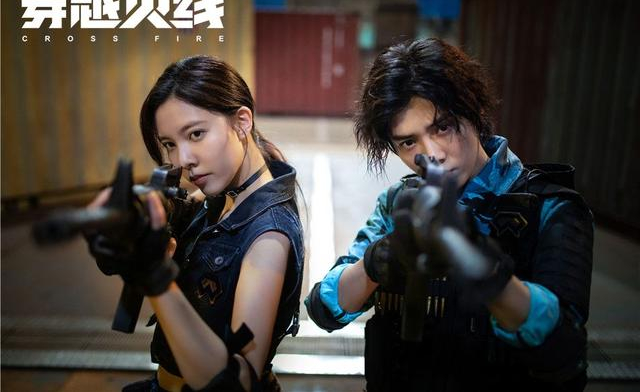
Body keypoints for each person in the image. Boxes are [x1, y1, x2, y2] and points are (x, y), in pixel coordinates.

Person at [305, 38, 593, 391]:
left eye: (442, 127)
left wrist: (488, 273)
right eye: (408, 142)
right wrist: (377, 262)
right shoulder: (398, 204)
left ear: (473, 109)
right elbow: (324, 308)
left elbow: (564, 350)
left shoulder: (550, 208)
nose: (433, 154)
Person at [88, 55, 304, 392]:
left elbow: (238, 382)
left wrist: (157, 277)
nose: (183, 159)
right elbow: (178, 209)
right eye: (170, 144)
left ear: (242, 122)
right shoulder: (222, 195)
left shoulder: (268, 237)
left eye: (196, 134)